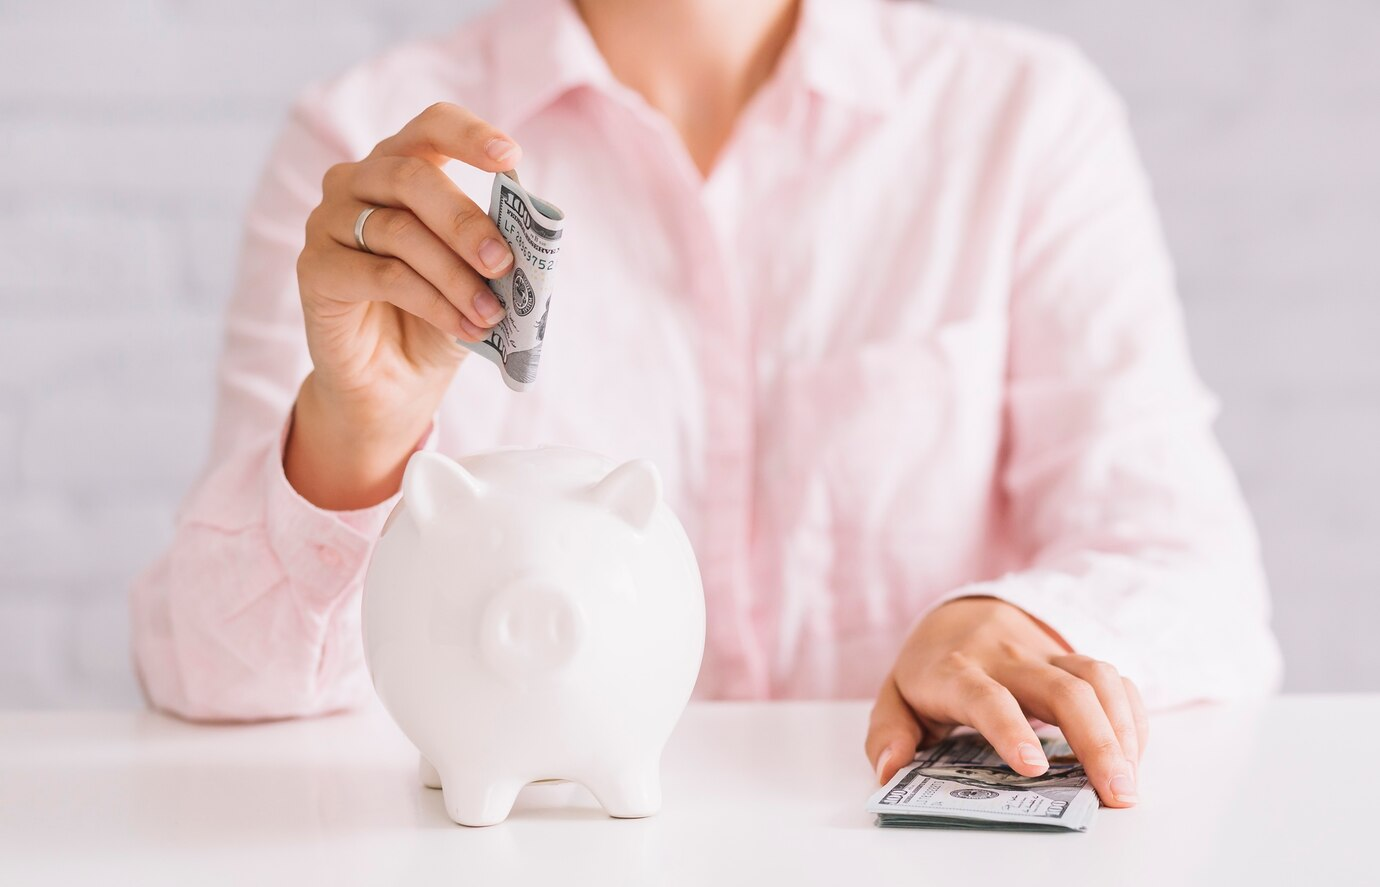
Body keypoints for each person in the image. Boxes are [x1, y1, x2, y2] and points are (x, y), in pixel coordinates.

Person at [129, 0, 1283, 810]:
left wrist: (1019, 623)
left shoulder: (1023, 122)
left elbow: (1198, 573)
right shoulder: (372, 159)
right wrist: (359, 433)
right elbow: (211, 676)